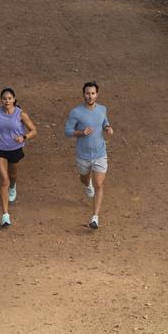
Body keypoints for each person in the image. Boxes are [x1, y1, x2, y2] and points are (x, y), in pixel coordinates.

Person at [64, 81, 114, 229]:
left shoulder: (102, 109)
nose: (90, 96)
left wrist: (108, 127)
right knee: (84, 178)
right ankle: (87, 184)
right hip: (83, 155)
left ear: (96, 94)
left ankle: (95, 218)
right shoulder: (76, 112)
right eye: (87, 93)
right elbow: (67, 131)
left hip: (100, 153)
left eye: (93, 93)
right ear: (83, 94)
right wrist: (80, 132)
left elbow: (104, 122)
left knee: (99, 184)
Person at [0, 87, 37, 227]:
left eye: (9, 98)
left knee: (12, 176)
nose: (7, 101)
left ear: (14, 99)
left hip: (14, 149)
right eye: (4, 98)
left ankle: (13, 187)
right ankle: (5, 215)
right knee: (4, 180)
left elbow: (34, 130)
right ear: (1, 100)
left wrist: (24, 137)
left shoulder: (21, 114)